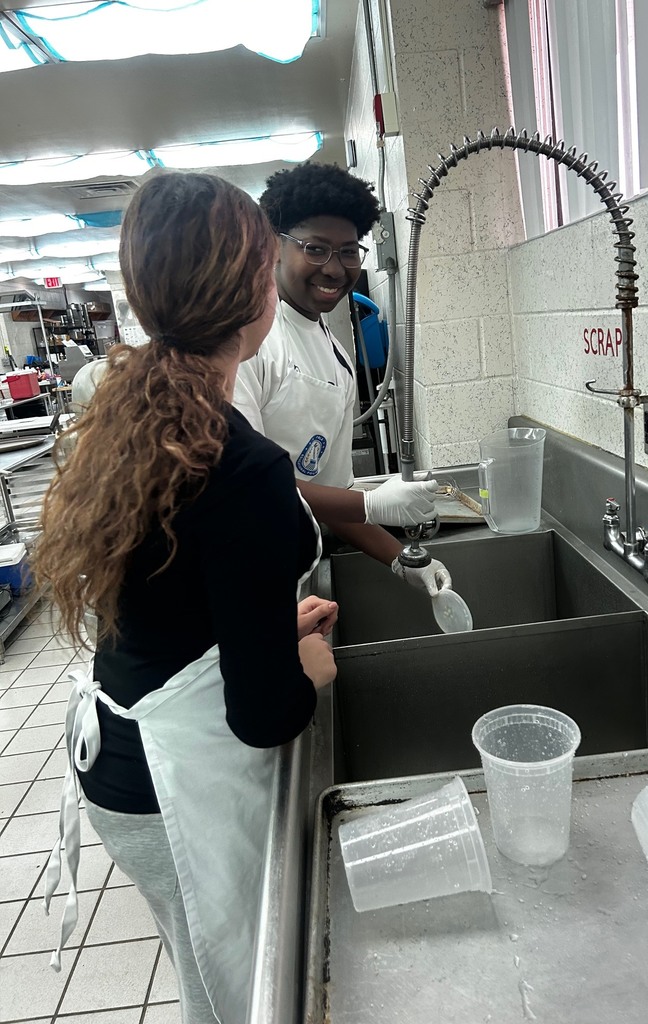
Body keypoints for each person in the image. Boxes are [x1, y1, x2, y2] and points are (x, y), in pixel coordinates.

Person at [33, 170, 337, 1024]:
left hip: (118, 760)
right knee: (237, 998)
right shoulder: (244, 467)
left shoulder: (137, 415)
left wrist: (266, 624)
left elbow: (178, 591)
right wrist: (301, 662)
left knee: (209, 977)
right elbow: (265, 715)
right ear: (256, 294)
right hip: (174, 786)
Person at [234, 161, 452, 597]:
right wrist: (370, 503)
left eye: (349, 251)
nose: (335, 269)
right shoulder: (246, 344)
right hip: (235, 582)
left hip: (292, 578)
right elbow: (242, 487)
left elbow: (332, 498)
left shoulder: (338, 359)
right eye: (315, 248)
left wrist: (403, 560)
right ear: (273, 248)